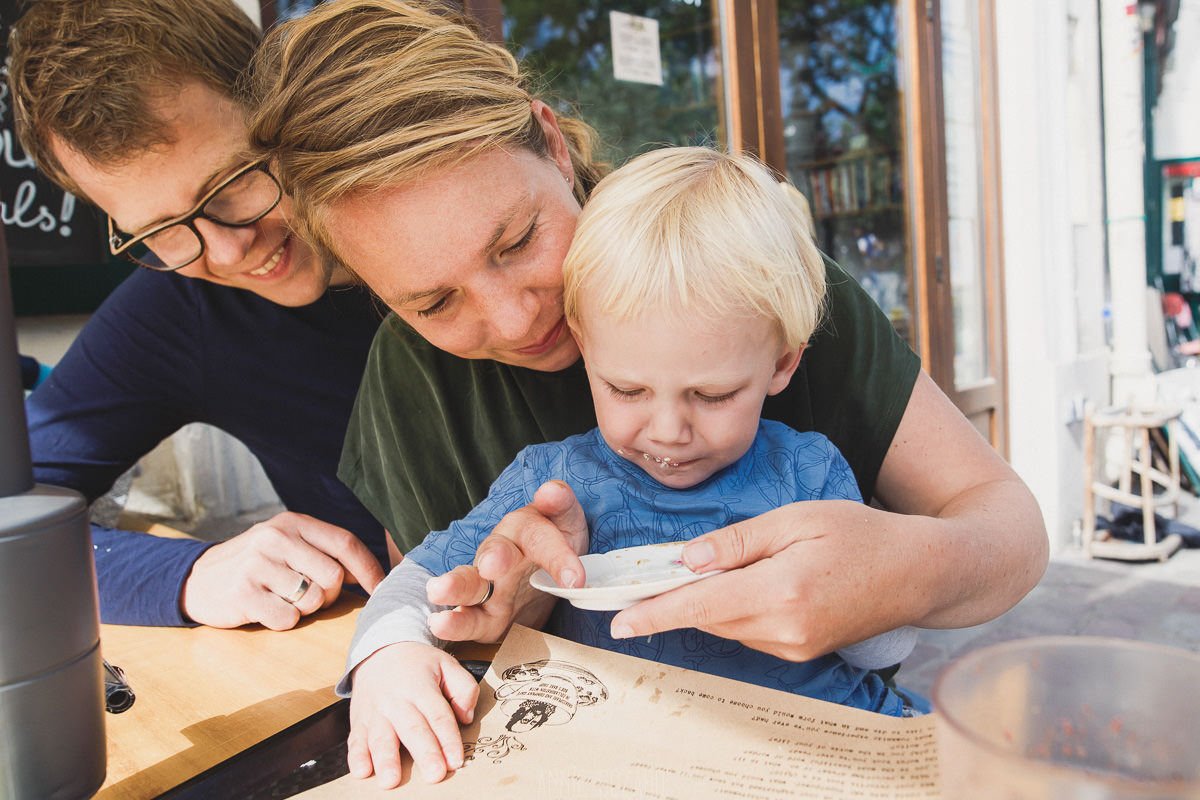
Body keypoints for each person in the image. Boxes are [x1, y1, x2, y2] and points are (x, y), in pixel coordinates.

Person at [248, 0, 1047, 786]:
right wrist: (488, 621)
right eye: (433, 303)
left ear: (554, 145)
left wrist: (898, 573)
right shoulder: (418, 380)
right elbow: (433, 625)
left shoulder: (747, 280)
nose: (519, 315)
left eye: (518, 240)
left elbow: (1005, 530)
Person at [337, 146, 922, 784]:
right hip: (631, 763)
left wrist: (866, 590)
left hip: (816, 755)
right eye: (627, 390)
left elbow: (883, 649)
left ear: (783, 363)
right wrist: (388, 657)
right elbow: (418, 577)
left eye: (713, 395)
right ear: (585, 347)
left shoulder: (809, 474)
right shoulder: (556, 481)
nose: (668, 432)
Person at [7, 0, 385, 629]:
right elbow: (9, 517)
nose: (231, 249)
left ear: (277, 98)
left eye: (232, 181)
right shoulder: (182, 310)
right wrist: (189, 574)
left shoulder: (435, 195)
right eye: (159, 231)